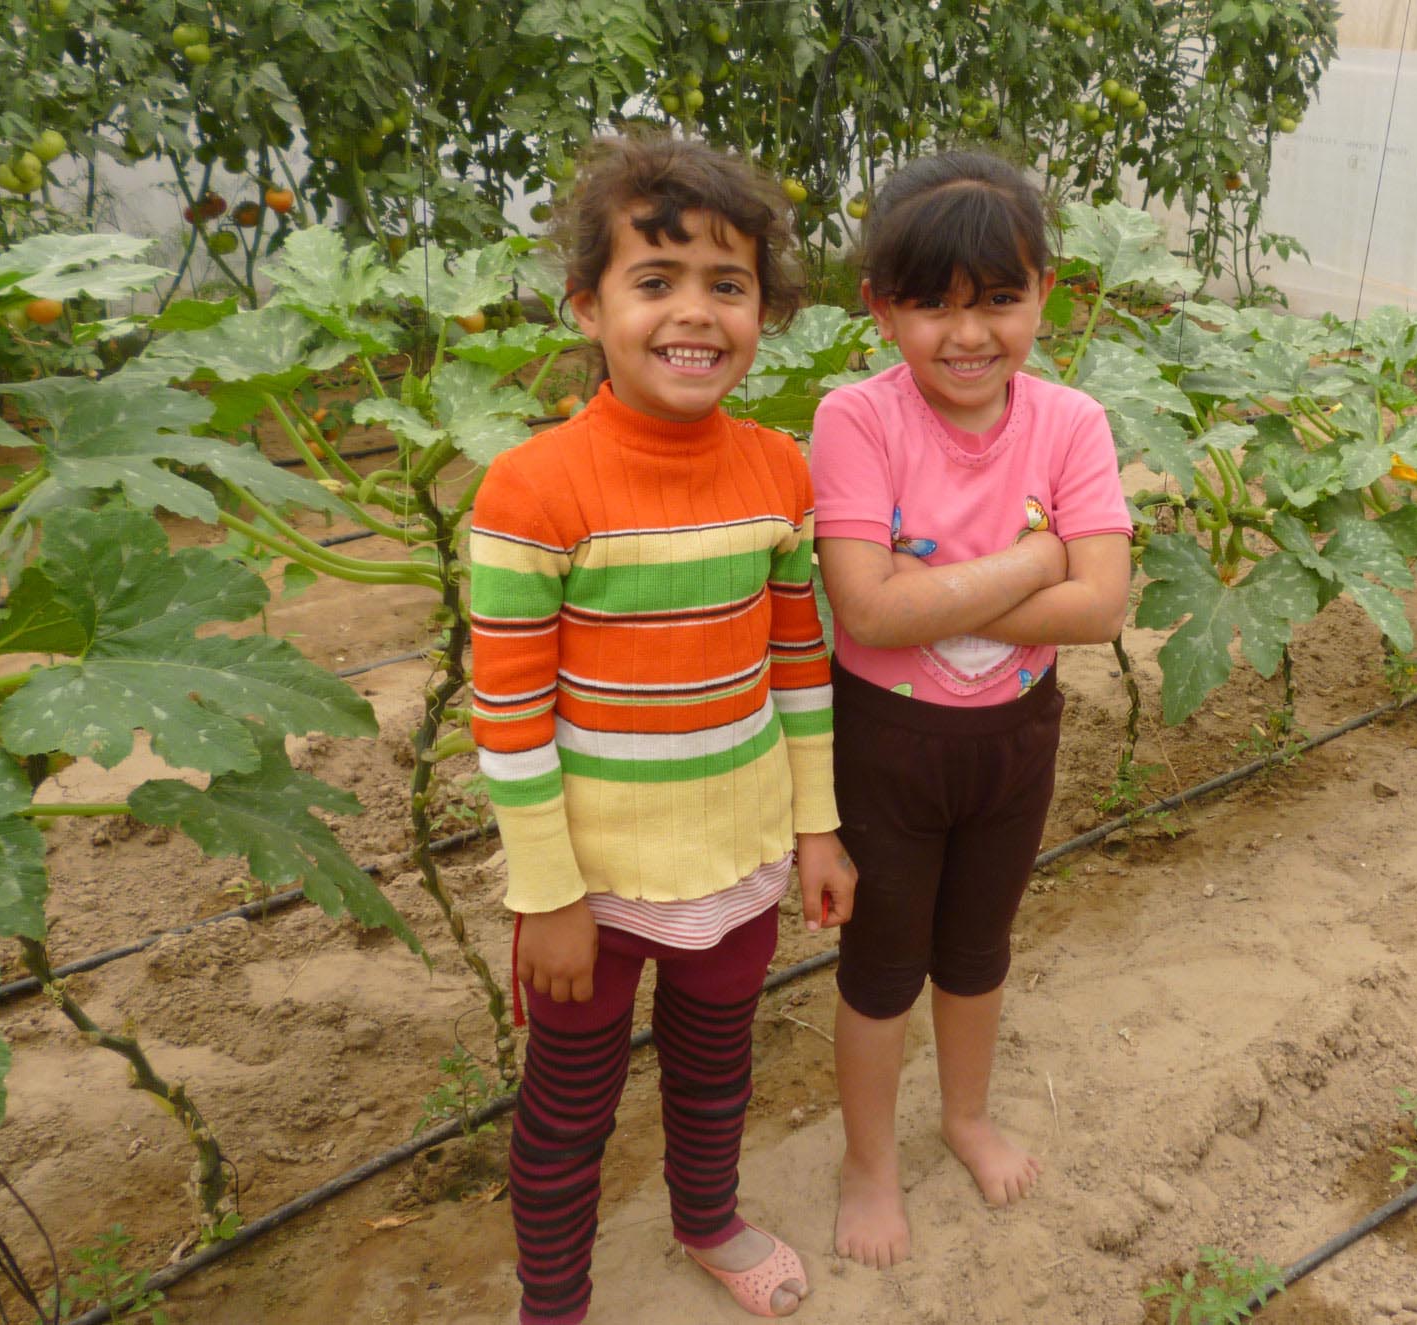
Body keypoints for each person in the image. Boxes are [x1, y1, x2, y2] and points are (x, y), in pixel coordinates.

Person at [468, 136, 857, 1322]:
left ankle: (707, 1218)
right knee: (567, 1107)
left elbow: (799, 660)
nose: (694, 313)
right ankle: (553, 1302)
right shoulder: (533, 490)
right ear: (588, 305)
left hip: (733, 858)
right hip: (592, 877)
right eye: (655, 281)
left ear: (763, 308)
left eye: (725, 284)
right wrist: (545, 892)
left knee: (713, 1066)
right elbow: (509, 712)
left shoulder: (775, 471)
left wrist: (817, 829)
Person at [808, 150, 1134, 1268]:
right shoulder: (855, 420)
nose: (967, 333)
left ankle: (962, 1114)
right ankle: (866, 1160)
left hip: (1014, 742)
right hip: (887, 747)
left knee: (978, 948)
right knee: (881, 962)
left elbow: (1101, 607)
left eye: (998, 298)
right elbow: (864, 606)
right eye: (930, 304)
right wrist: (1039, 552)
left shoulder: (1069, 420)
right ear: (878, 307)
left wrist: (932, 593)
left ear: (1046, 289)